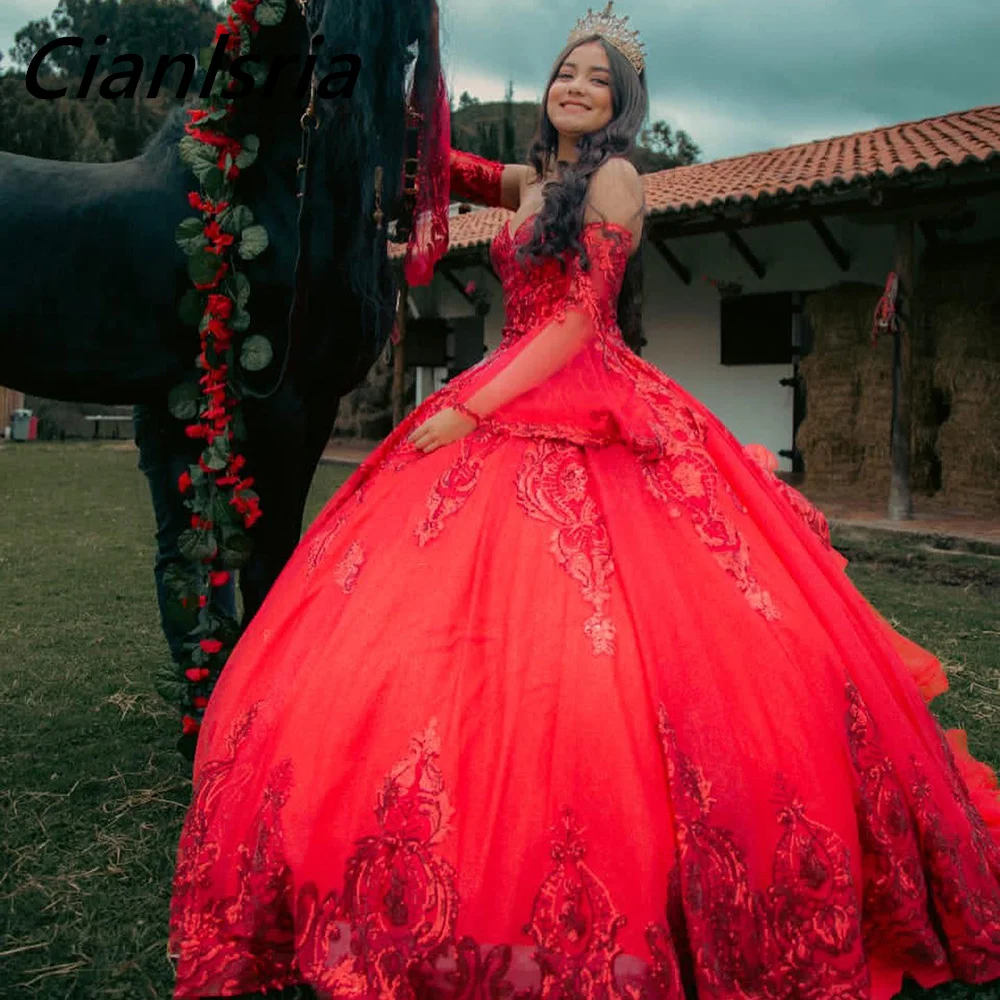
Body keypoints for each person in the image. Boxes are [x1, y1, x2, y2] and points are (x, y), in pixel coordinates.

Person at [167, 5, 1000, 998]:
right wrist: (389, 92)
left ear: (620, 104)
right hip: (512, 387)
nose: (575, 88)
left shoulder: (611, 179)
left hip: (572, 392)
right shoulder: (536, 182)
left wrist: (469, 402)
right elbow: (451, 174)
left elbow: (571, 320)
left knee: (626, 634)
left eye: (596, 81)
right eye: (565, 72)